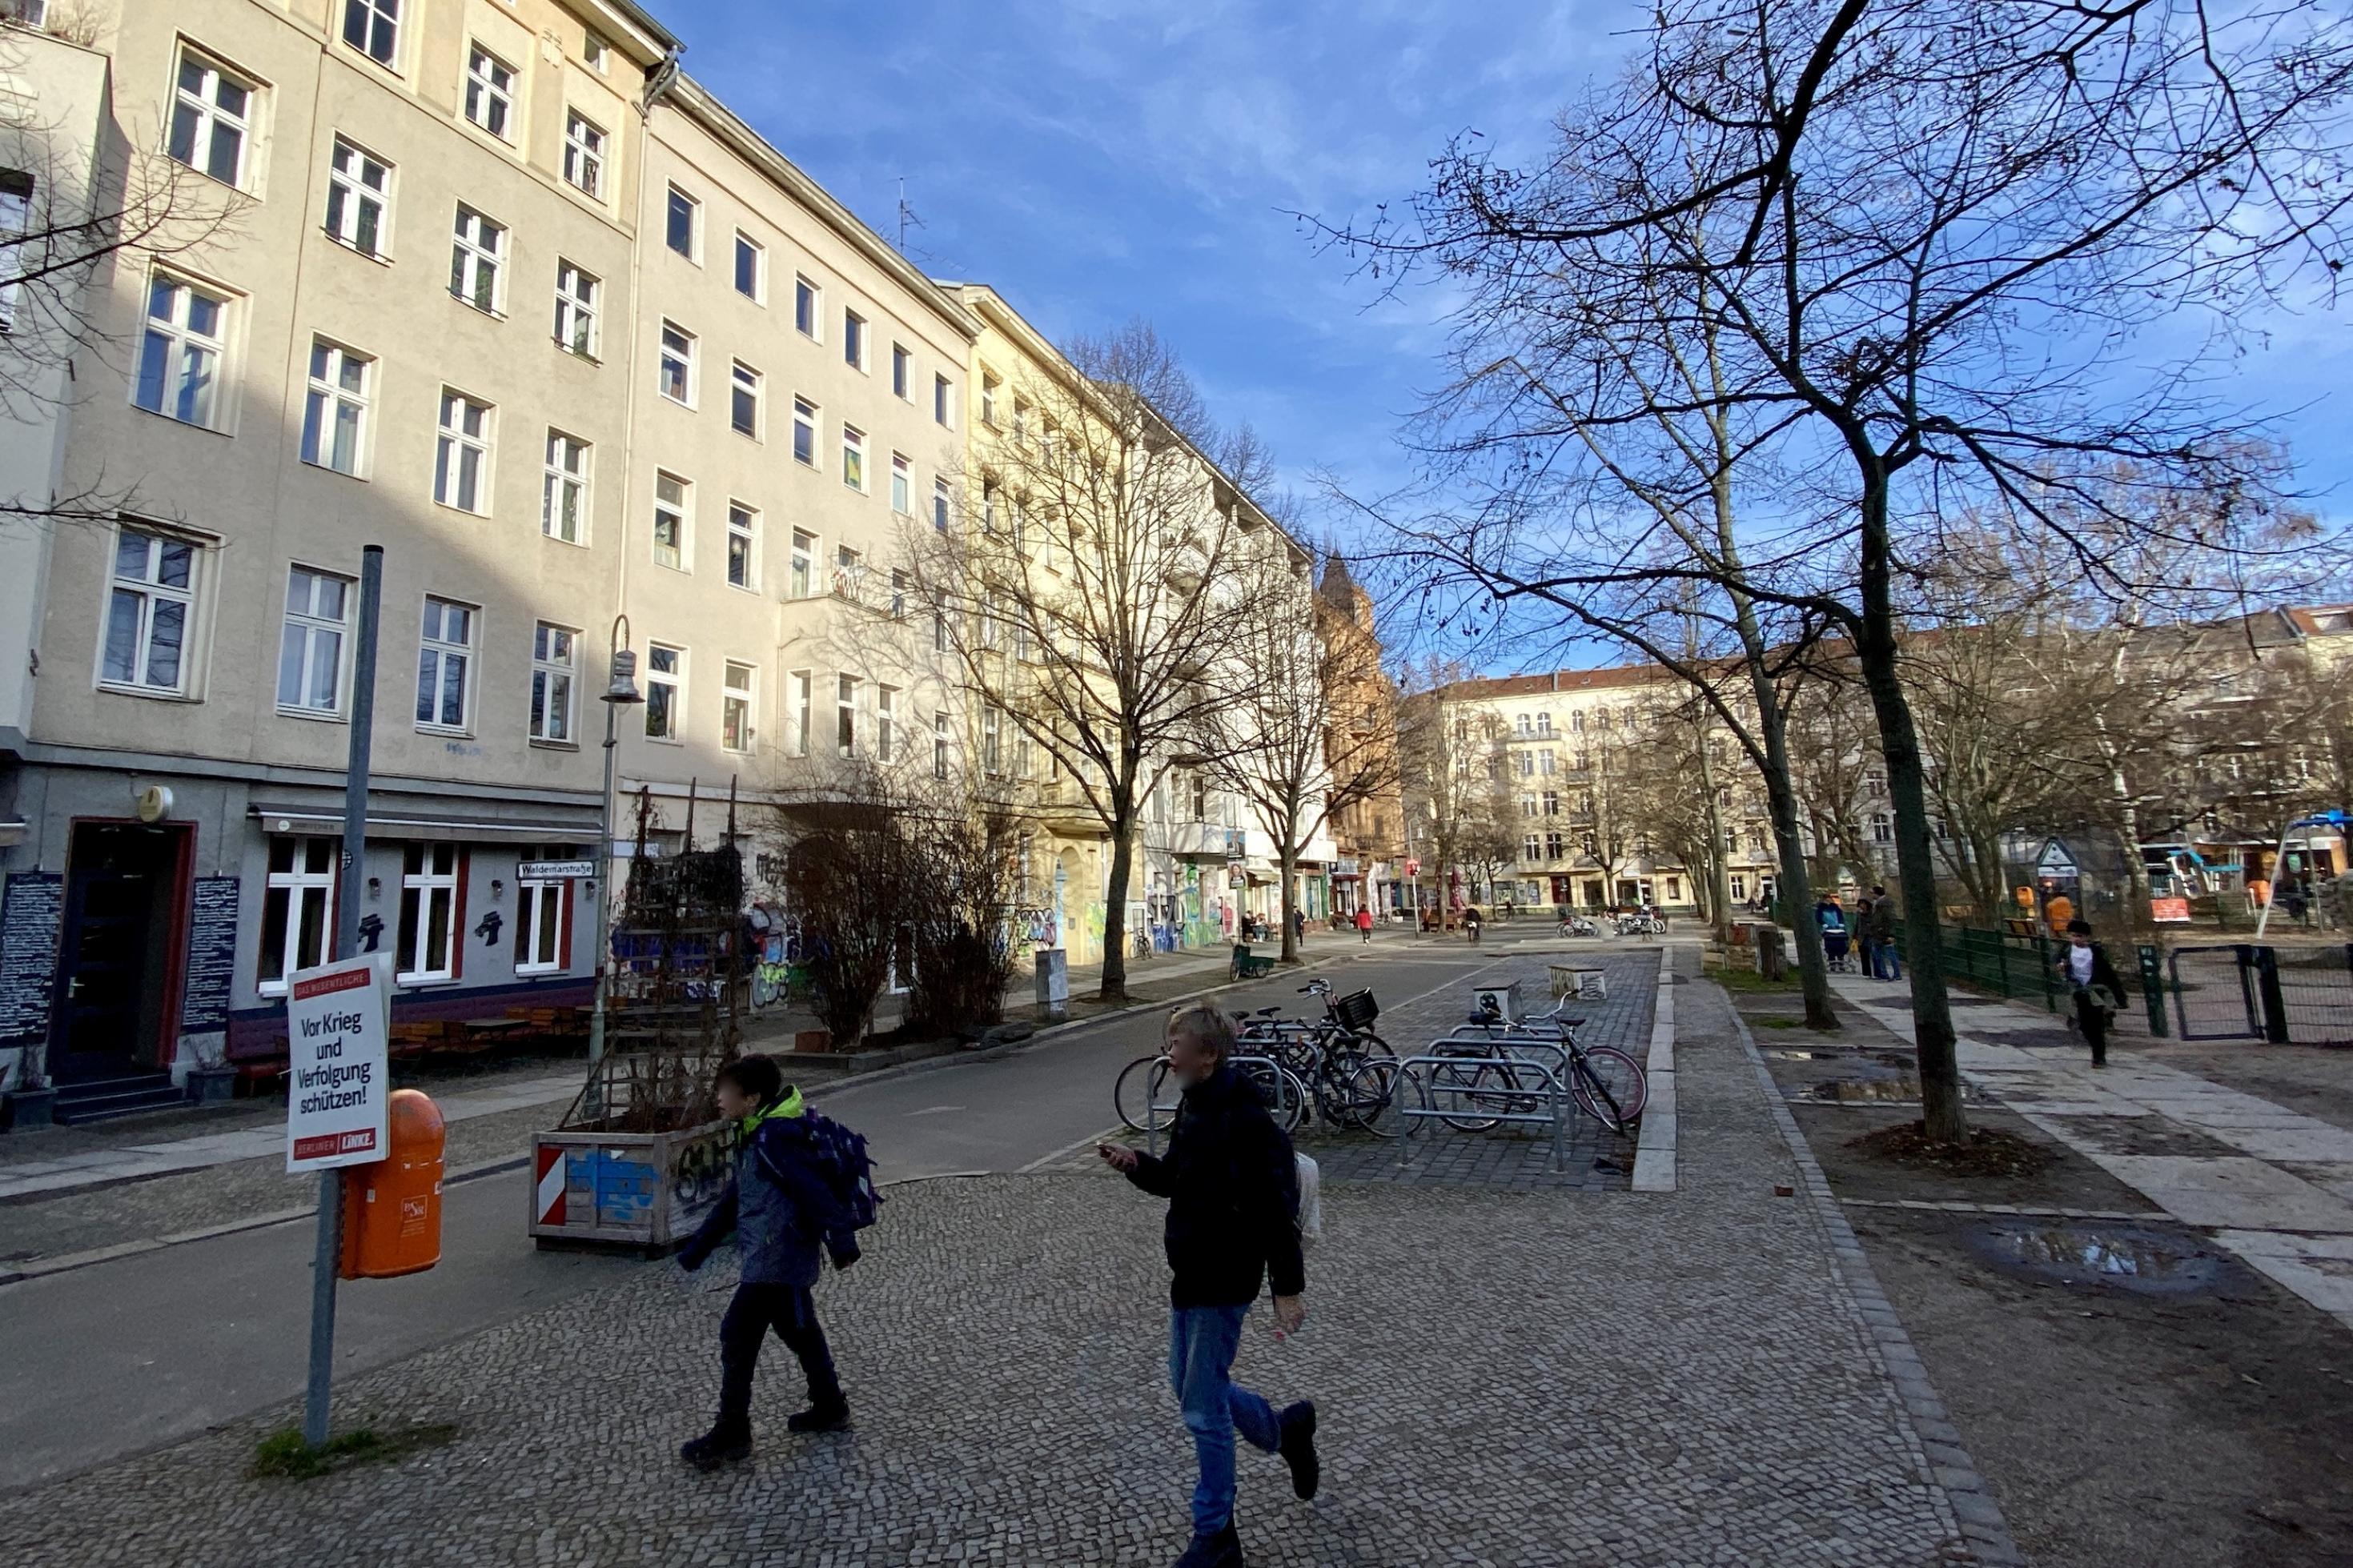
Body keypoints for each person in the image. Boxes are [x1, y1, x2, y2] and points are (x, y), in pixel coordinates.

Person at [1098, 1005, 1318, 1568]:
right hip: (1190, 1272)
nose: (1167, 1053)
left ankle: (1216, 1533)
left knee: (1201, 1409)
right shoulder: (1195, 1104)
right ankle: (1284, 1430)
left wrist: (1286, 1289)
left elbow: (1277, 1208)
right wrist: (1135, 1164)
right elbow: (1175, 1177)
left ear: (1207, 1054)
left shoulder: (1245, 1120)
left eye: (1175, 1043)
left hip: (1224, 1276)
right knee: (1191, 1387)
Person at [677, 1055, 857, 1467]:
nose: (718, 1098)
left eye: (726, 1092)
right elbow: (734, 1200)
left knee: (737, 1334)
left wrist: (842, 1243)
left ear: (753, 1098)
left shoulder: (776, 1138)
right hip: (770, 1255)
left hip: (779, 1258)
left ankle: (732, 1433)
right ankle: (830, 1406)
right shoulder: (754, 1133)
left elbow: (814, 1190)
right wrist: (697, 1249)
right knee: (800, 1332)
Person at [2053, 919, 2126, 1068]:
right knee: (2085, 1025)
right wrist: (2061, 968)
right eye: (2073, 935)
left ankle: (2099, 1057)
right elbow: (2057, 964)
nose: (2076, 939)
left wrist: (2118, 995)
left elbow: (2109, 973)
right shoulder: (2066, 951)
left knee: (2097, 1024)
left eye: (2080, 936)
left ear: (2087, 937)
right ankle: (2094, 1046)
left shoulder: (2095, 952)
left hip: (2096, 991)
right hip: (2078, 992)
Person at [1865, 886, 1901, 981]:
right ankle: (1885, 973)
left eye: (1872, 893)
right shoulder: (1878, 903)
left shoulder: (1883, 904)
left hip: (1882, 932)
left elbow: (1889, 919)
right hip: (1878, 932)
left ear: (1876, 893)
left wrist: (1890, 934)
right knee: (1880, 954)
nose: (1871, 895)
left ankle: (1894, 974)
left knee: (1888, 954)